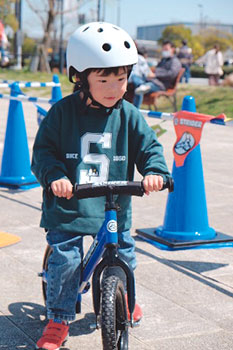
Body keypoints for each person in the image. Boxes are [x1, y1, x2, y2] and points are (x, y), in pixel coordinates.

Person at [32, 21, 170, 350]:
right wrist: (55, 177)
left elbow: (150, 148)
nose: (113, 88)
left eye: (120, 79)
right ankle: (59, 318)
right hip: (70, 204)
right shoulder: (62, 113)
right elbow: (43, 153)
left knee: (125, 253)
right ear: (81, 78)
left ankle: (126, 296)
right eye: (103, 79)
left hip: (114, 206)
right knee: (65, 259)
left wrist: (154, 171)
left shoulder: (130, 115)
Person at [134, 40, 182, 108]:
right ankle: (141, 85)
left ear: (172, 49)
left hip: (160, 85)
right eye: (163, 49)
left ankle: (143, 87)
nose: (164, 51)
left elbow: (171, 74)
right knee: (135, 77)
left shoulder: (175, 61)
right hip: (152, 80)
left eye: (166, 49)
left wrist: (155, 74)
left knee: (140, 88)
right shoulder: (163, 60)